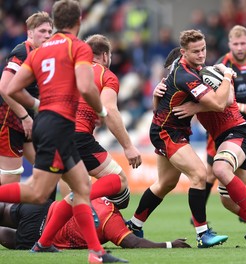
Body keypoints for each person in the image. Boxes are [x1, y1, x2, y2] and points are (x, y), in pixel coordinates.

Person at [3, 1, 126, 263]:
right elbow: (85, 85)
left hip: (49, 123)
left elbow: (12, 89)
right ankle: (89, 252)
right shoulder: (78, 47)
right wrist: (101, 112)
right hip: (58, 125)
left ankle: (95, 254)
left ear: (56, 23)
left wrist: (38, 105)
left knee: (81, 186)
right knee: (37, 192)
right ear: (79, 21)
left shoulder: (39, 51)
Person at [156, 45, 246, 247]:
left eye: (173, 68)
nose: (172, 73)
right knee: (228, 201)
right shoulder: (184, 83)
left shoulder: (206, 73)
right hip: (225, 138)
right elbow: (163, 111)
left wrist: (198, 105)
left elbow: (227, 99)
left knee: (220, 168)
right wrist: (156, 93)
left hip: (238, 132)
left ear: (182, 61)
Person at [125, 29, 229, 248]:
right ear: (184, 52)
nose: (201, 55)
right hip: (167, 132)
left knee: (165, 183)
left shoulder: (183, 65)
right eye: (196, 51)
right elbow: (219, 104)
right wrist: (227, 76)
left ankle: (134, 225)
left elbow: (163, 95)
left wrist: (168, 99)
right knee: (200, 173)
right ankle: (203, 234)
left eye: (203, 49)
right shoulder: (185, 76)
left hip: (169, 128)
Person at [204, 25, 246, 210]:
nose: (240, 47)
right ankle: (198, 219)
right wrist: (244, 106)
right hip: (223, 125)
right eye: (236, 44)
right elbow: (216, 99)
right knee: (210, 175)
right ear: (229, 44)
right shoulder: (221, 66)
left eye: (243, 43)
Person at [72, 34, 141, 205]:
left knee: (46, 189)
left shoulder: (71, 70)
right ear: (105, 55)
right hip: (78, 136)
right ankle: (75, 204)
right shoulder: (106, 75)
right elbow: (110, 109)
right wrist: (128, 147)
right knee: (119, 181)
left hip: (51, 132)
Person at [0, 196, 190, 250]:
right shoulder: (110, 220)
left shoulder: (97, 195)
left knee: (5, 210)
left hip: (42, 207)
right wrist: (169, 244)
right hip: (43, 231)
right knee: (15, 239)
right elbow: (133, 243)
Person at [0, 11, 52, 185]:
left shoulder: (40, 54)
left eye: (49, 32)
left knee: (47, 168)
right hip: (10, 119)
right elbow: (4, 88)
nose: (47, 35)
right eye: (42, 31)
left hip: (26, 120)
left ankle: (42, 210)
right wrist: (24, 117)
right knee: (11, 178)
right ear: (30, 32)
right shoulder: (22, 52)